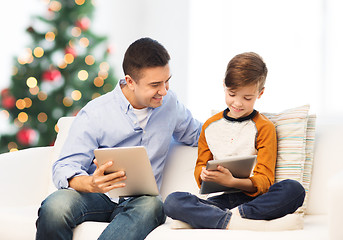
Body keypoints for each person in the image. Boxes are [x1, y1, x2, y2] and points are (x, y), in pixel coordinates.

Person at [35, 37, 202, 240]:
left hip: (142, 203)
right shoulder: (96, 113)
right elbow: (64, 166)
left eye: (167, 81)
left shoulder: (170, 104)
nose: (164, 91)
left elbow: (198, 135)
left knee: (153, 205)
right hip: (97, 197)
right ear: (130, 82)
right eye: (155, 85)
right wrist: (90, 183)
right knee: (54, 207)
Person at [163, 52, 306, 230]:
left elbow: (264, 181)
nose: (237, 103)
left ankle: (223, 218)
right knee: (173, 201)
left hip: (255, 200)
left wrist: (233, 182)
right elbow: (200, 168)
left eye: (247, 98)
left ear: (260, 93)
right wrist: (204, 175)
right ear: (224, 86)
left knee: (294, 190)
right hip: (221, 200)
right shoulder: (210, 126)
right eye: (232, 94)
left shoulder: (264, 127)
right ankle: (238, 220)